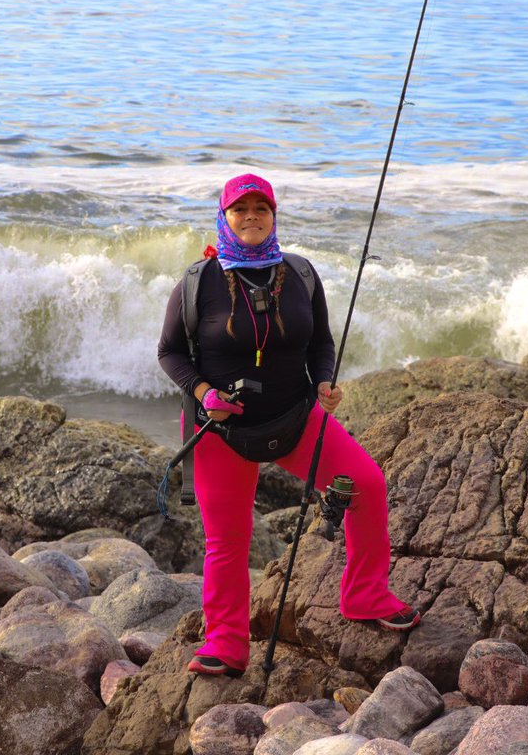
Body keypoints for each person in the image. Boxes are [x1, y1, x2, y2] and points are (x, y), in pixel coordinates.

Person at [157, 173, 419, 678]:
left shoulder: (299, 274)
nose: (251, 216)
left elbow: (321, 341)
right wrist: (203, 394)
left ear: (274, 216)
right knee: (227, 539)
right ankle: (226, 644)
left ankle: (365, 595)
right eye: (240, 209)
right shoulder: (196, 283)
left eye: (261, 208)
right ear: (224, 216)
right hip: (221, 430)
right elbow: (169, 352)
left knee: (366, 484)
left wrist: (324, 381)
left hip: (297, 417)